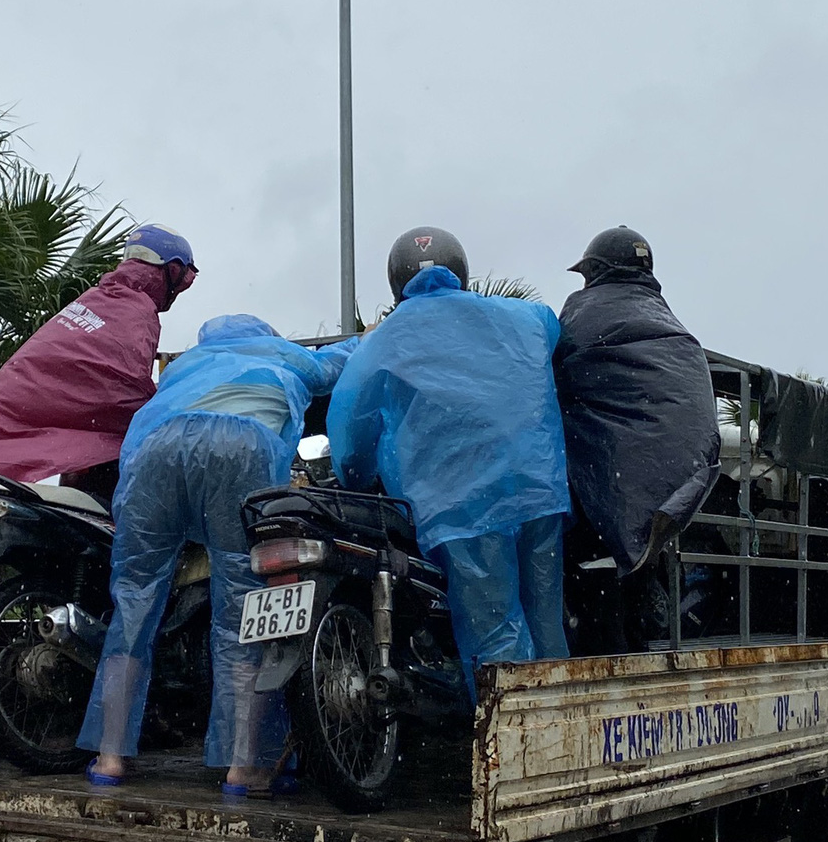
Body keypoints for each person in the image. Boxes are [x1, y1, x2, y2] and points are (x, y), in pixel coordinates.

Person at [78, 315, 353, 796]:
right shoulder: (285, 355)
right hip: (241, 448)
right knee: (242, 612)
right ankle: (243, 767)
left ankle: (110, 756)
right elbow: (343, 361)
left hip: (155, 453)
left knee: (135, 602)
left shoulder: (187, 366)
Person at [327, 227, 571, 696]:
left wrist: (355, 477)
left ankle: (517, 757)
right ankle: (561, 736)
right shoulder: (528, 316)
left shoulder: (385, 341)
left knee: (496, 633)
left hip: (462, 503)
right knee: (546, 623)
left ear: (395, 281)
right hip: (537, 487)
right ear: (460, 269)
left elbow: (351, 426)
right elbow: (551, 333)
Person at [0, 224, 196, 506]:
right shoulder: (138, 310)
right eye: (181, 281)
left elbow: (81, 370)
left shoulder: (97, 297)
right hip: (77, 453)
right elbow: (121, 387)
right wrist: (171, 403)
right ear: (171, 270)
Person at [553, 226, 720, 653]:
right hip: (668, 500)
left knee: (571, 560)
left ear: (596, 271)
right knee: (628, 582)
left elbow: (550, 385)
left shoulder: (581, 312)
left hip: (607, 493)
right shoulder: (673, 327)